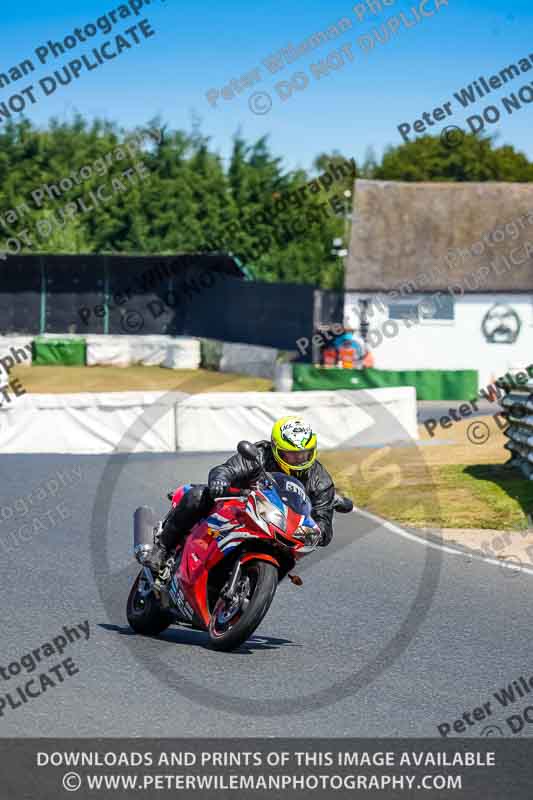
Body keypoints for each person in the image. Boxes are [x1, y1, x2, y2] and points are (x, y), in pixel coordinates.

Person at [146, 416, 336, 575]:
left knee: (290, 554)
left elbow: (323, 521)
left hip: (277, 525)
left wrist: (318, 532)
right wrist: (221, 480)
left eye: (304, 454)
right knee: (196, 495)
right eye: (291, 455)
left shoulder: (321, 480)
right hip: (238, 507)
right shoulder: (260, 454)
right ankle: (162, 548)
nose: (298, 459)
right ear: (276, 449)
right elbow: (228, 469)